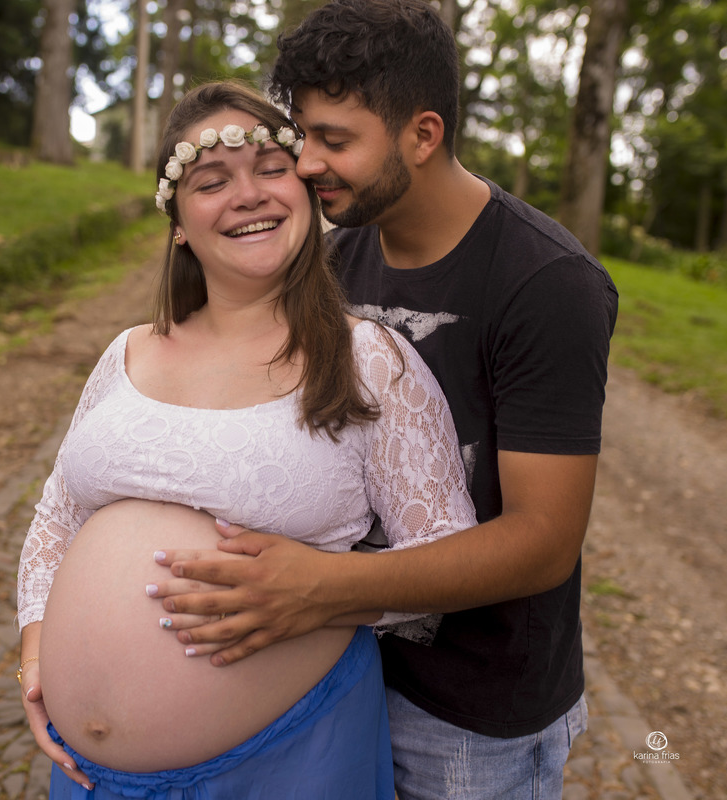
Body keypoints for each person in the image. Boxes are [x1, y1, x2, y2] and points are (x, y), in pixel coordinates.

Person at [147, 2, 620, 798]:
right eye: (306, 139)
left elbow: (543, 541)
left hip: (470, 716)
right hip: (333, 675)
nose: (307, 166)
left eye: (336, 141)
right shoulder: (331, 257)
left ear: (423, 135)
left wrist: (321, 589)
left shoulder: (547, 285)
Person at [15, 80, 479, 799]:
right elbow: (56, 515)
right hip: (88, 776)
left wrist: (322, 594)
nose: (250, 195)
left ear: (305, 193)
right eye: (212, 181)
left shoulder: (370, 362)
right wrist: (37, 643)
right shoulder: (127, 352)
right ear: (178, 222)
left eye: (271, 169)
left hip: (289, 761)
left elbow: (451, 558)